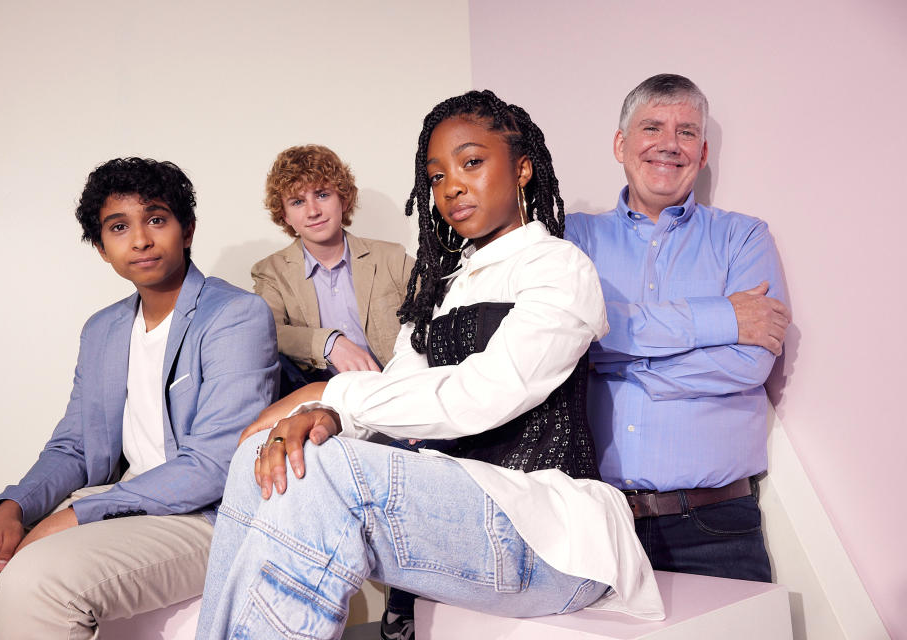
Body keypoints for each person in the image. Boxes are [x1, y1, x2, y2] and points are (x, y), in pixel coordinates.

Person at [196, 90, 663, 640]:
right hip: (461, 509)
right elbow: (398, 389)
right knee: (266, 449)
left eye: (471, 162)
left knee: (326, 469)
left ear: (522, 169)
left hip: (552, 533)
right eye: (437, 176)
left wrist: (335, 397)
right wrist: (328, 417)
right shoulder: (440, 287)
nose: (452, 187)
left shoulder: (561, 268)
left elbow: (480, 395)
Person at [0, 158, 279, 639]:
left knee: (35, 581)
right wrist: (13, 509)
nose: (141, 240)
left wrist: (74, 516)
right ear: (102, 248)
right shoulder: (102, 329)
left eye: (157, 220)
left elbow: (214, 464)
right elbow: (74, 448)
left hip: (204, 516)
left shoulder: (235, 316)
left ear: (187, 230)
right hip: (120, 501)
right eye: (119, 227)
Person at [565, 74, 791, 581]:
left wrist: (618, 361)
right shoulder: (575, 236)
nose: (669, 144)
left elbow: (750, 362)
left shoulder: (744, 237)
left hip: (716, 528)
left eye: (686, 132)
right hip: (595, 525)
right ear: (621, 144)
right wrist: (719, 317)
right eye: (652, 127)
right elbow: (565, 341)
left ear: (703, 150)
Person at [251, 145, 413, 392]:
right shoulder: (272, 272)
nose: (313, 211)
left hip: (400, 393)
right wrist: (330, 343)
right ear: (285, 216)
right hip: (325, 405)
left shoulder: (392, 259)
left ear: (343, 199)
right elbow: (265, 335)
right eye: (298, 202)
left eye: (323, 195)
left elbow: (434, 321)